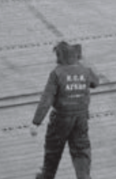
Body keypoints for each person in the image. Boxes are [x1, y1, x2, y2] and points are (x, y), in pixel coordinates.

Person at [30, 41, 100, 179]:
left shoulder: (57, 73)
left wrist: (36, 122)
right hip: (81, 118)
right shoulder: (84, 70)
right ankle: (84, 177)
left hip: (61, 118)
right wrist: (84, 64)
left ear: (60, 56)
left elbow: (46, 99)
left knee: (53, 149)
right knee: (81, 149)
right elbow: (96, 82)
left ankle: (47, 176)